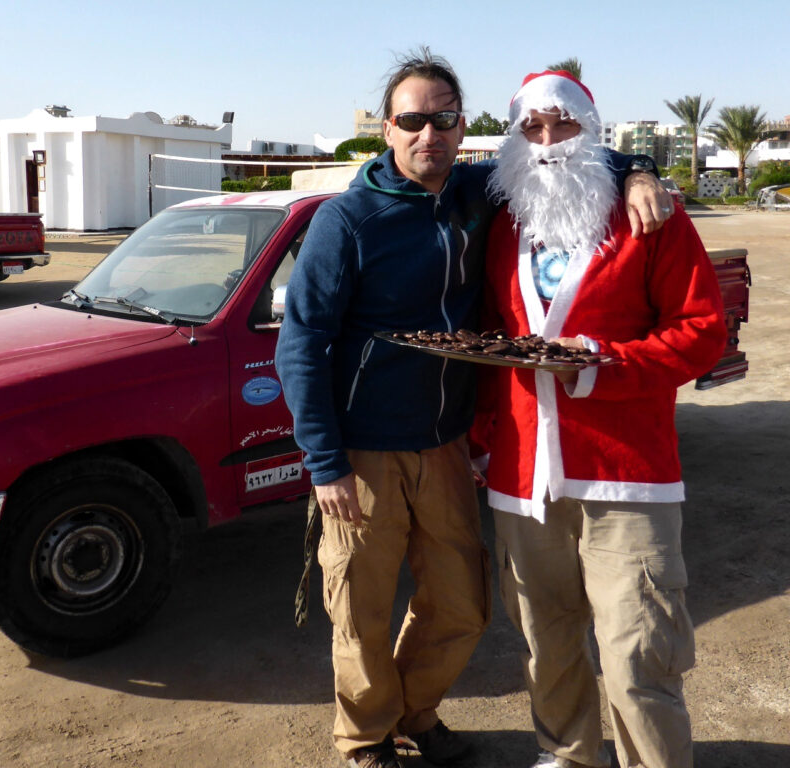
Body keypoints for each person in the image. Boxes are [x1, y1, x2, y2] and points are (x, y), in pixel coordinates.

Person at [275, 49, 673, 768]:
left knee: (462, 603)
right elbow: (301, 345)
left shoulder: (475, 192)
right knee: (360, 610)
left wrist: (641, 169)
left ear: (465, 128)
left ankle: (413, 714)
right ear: (387, 131)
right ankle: (366, 738)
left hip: (446, 446)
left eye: (445, 119)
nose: (429, 133)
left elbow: (568, 153)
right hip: (362, 451)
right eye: (412, 120)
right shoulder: (348, 221)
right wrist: (323, 463)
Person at [477, 70, 727, 768]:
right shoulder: (501, 221)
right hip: (525, 477)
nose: (549, 142)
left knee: (637, 652)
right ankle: (568, 756)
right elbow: (491, 336)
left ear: (594, 132)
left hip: (628, 477)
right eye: (533, 128)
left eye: (564, 125)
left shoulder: (648, 217)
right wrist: (481, 442)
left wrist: (596, 361)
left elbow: (702, 331)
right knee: (546, 641)